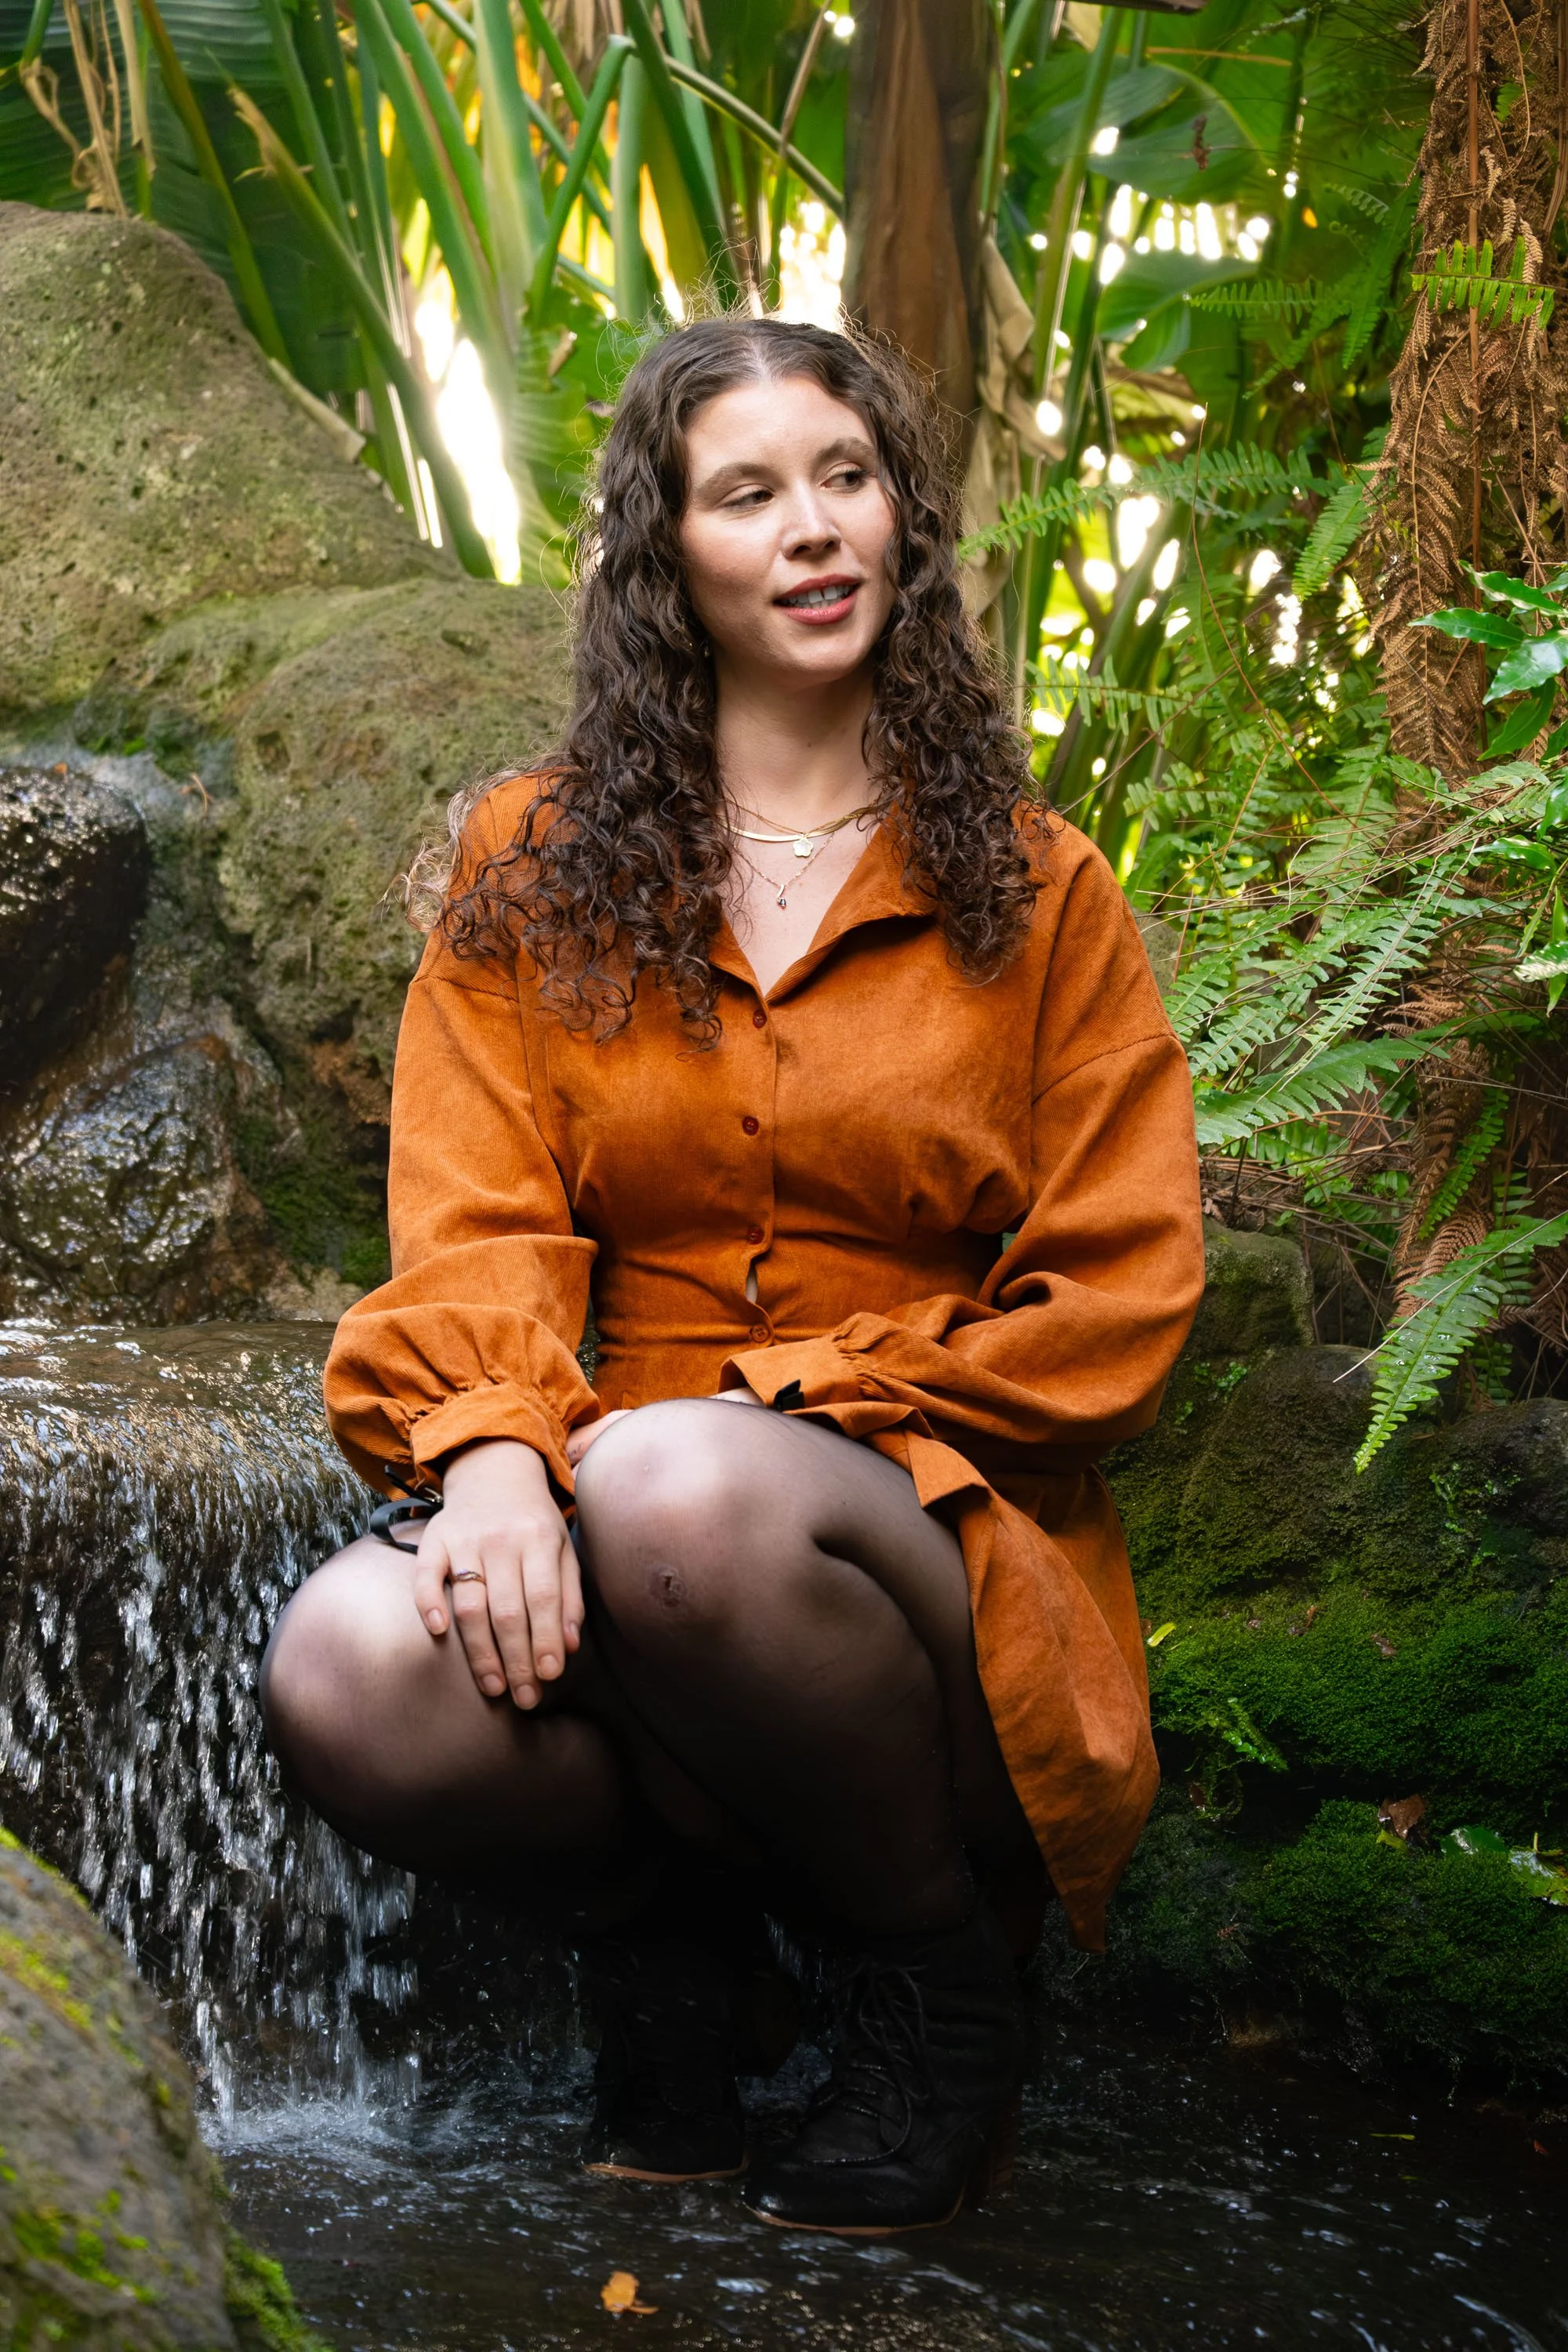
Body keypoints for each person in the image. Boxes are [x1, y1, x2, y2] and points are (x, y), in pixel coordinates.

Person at [260, 315, 1204, 2238]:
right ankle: (677, 1951)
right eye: (747, 493)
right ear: (662, 556)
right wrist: (501, 1453)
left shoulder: (1037, 890)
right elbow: (477, 1219)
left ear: (904, 523)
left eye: (844, 480)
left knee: (682, 1486)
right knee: (345, 1667)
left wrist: (741, 1421)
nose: (810, 530)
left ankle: (933, 1983)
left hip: (927, 1541)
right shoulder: (533, 866)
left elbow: (1118, 1297)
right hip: (626, 1494)